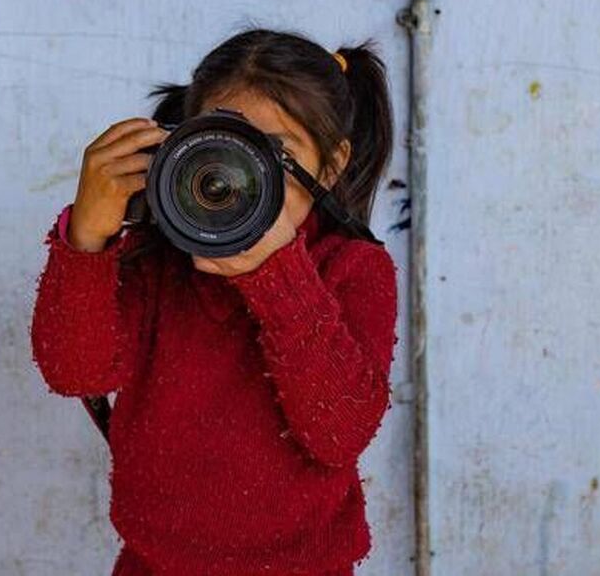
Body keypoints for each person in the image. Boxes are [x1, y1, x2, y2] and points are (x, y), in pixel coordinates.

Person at [30, 28, 400, 575]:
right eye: (226, 150)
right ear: (183, 146)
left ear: (330, 165)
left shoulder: (353, 270)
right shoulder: (155, 261)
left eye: (276, 154)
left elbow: (341, 432)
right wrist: (88, 237)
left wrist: (278, 275)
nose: (243, 180)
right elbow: (74, 372)